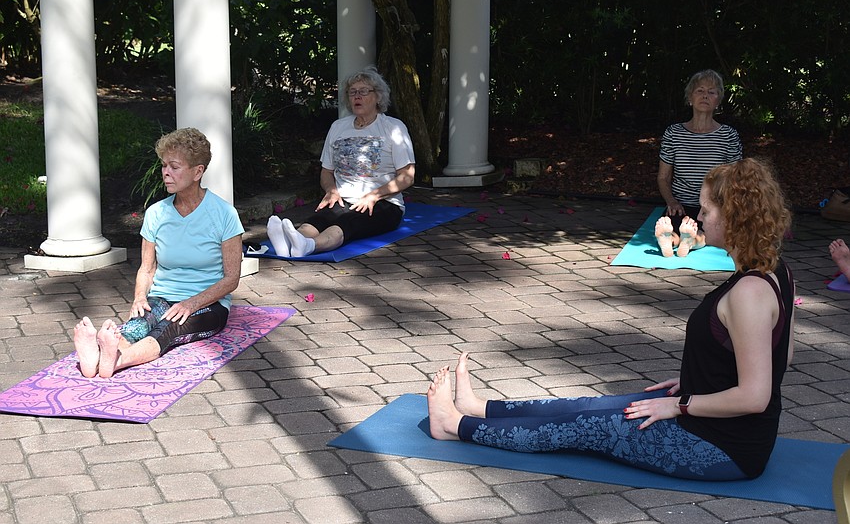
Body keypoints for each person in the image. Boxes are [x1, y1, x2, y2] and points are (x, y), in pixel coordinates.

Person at [428, 158, 795, 481]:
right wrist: (706, 375)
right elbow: (781, 357)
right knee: (586, 407)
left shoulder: (749, 292)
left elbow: (755, 397)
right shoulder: (776, 271)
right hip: (712, 422)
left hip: (718, 447)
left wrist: (680, 405)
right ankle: (481, 409)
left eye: (706, 210)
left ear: (733, 217)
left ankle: (453, 425)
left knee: (579, 428)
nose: (698, 217)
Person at [73, 128, 244, 378]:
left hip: (208, 304)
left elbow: (231, 279)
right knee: (136, 326)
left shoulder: (224, 214)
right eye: (164, 165)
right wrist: (140, 297)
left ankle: (115, 361)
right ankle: (97, 359)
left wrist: (191, 303)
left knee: (169, 328)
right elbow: (147, 268)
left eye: (174, 166)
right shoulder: (156, 213)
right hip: (162, 296)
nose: (166, 172)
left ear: (198, 171)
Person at [266, 66, 415, 257]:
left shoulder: (393, 127)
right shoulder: (338, 127)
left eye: (363, 92)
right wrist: (331, 190)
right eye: (352, 92)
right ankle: (288, 244)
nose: (357, 97)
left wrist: (374, 195)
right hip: (344, 198)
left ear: (378, 97)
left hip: (384, 203)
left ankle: (309, 246)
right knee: (315, 222)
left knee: (345, 225)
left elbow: (407, 176)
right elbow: (326, 172)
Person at [655, 69, 742, 257]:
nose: (705, 95)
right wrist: (672, 201)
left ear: (718, 101)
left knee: (711, 232)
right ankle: (672, 240)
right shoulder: (674, 133)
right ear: (690, 98)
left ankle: (693, 240)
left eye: (712, 92)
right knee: (672, 228)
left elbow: (735, 178)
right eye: (700, 90)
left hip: (714, 208)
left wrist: (719, 206)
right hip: (681, 206)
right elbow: (663, 177)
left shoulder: (729, 135)